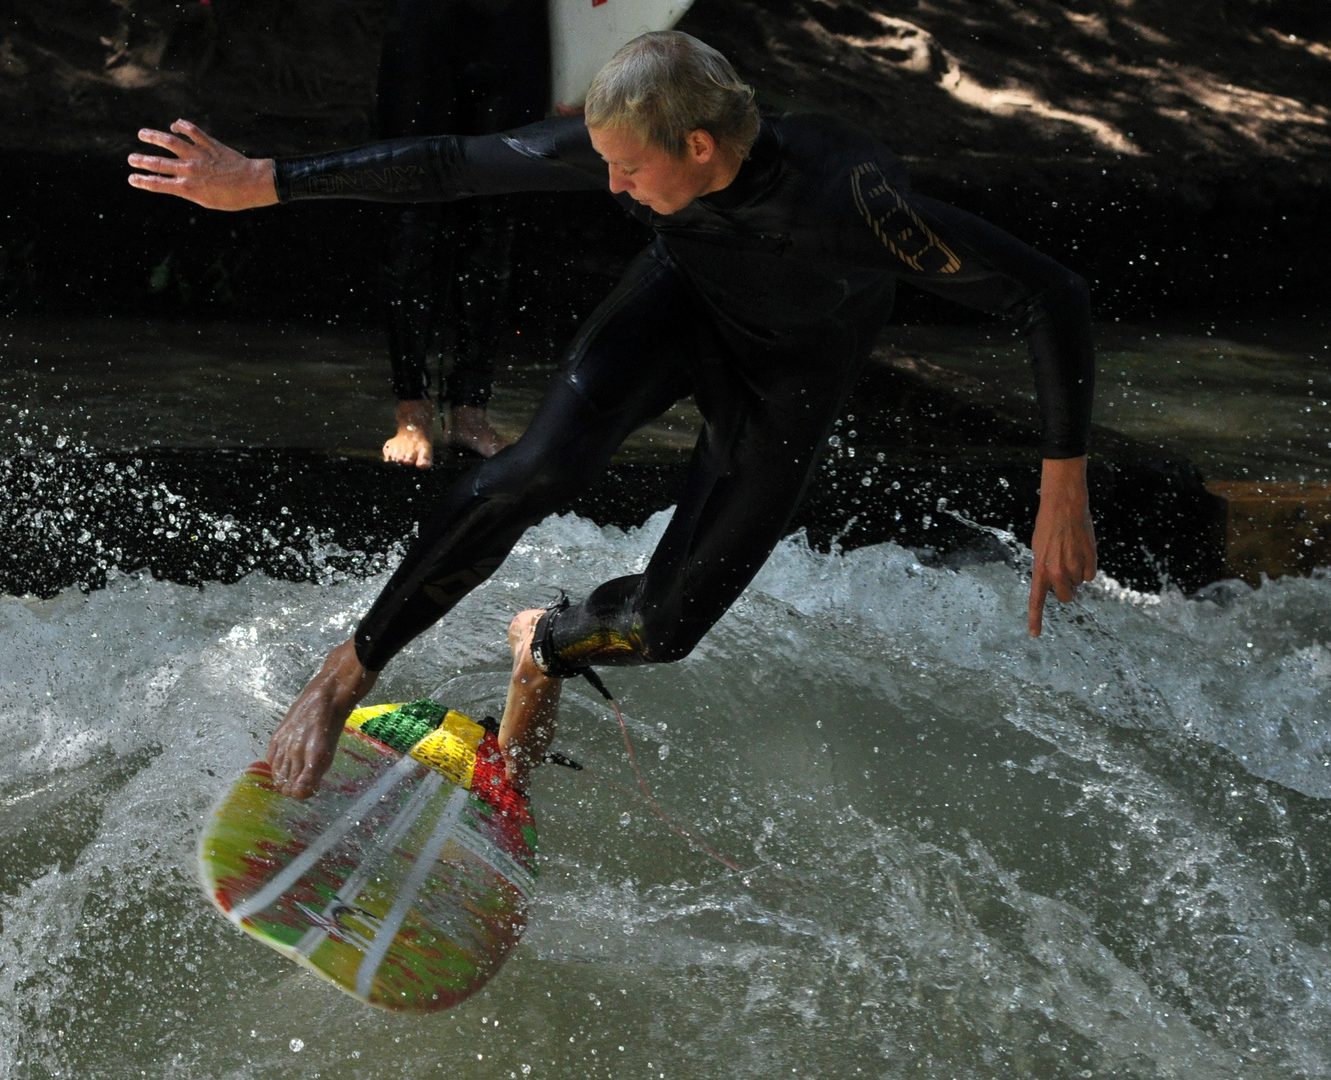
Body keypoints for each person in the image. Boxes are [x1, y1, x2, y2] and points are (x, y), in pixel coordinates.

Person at [128, 31, 1098, 800]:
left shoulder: (852, 200)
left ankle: (542, 643)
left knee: (666, 626)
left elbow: (1045, 293)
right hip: (680, 305)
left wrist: (1063, 482)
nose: (611, 186)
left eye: (627, 170)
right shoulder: (633, 144)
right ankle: (343, 674)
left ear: (700, 147)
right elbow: (452, 164)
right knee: (534, 470)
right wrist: (268, 183)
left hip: (793, 375)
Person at [373, 0, 550, 468]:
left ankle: (470, 410)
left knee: (496, 223)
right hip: (427, 24)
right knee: (413, 211)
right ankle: (412, 407)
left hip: (517, 24)